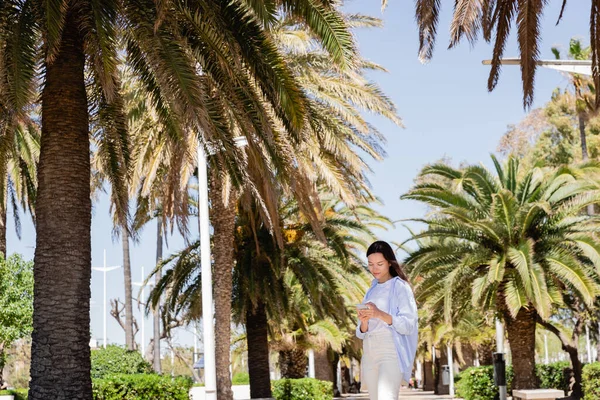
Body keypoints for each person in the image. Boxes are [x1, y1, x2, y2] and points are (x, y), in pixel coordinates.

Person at [356, 240, 418, 400]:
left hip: (390, 351)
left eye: (379, 264)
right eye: (370, 264)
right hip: (369, 352)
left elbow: (408, 325)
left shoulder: (400, 287)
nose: (374, 269)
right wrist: (363, 322)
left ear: (390, 263)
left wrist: (379, 314)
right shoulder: (371, 289)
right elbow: (361, 332)